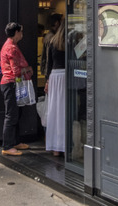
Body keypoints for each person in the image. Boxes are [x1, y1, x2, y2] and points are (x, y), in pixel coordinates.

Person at [0, 22, 32, 156]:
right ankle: (7, 145)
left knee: (16, 113)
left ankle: (15, 141)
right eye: (21, 31)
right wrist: (28, 69)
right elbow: (16, 71)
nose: (22, 34)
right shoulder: (11, 48)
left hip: (13, 83)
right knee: (11, 114)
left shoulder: (11, 46)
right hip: (11, 83)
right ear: (16, 32)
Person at [44, 17, 66, 156]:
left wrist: (47, 81)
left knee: (54, 112)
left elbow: (49, 63)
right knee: (64, 112)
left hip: (54, 76)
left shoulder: (53, 41)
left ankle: (55, 147)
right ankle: (64, 145)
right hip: (65, 76)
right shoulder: (70, 41)